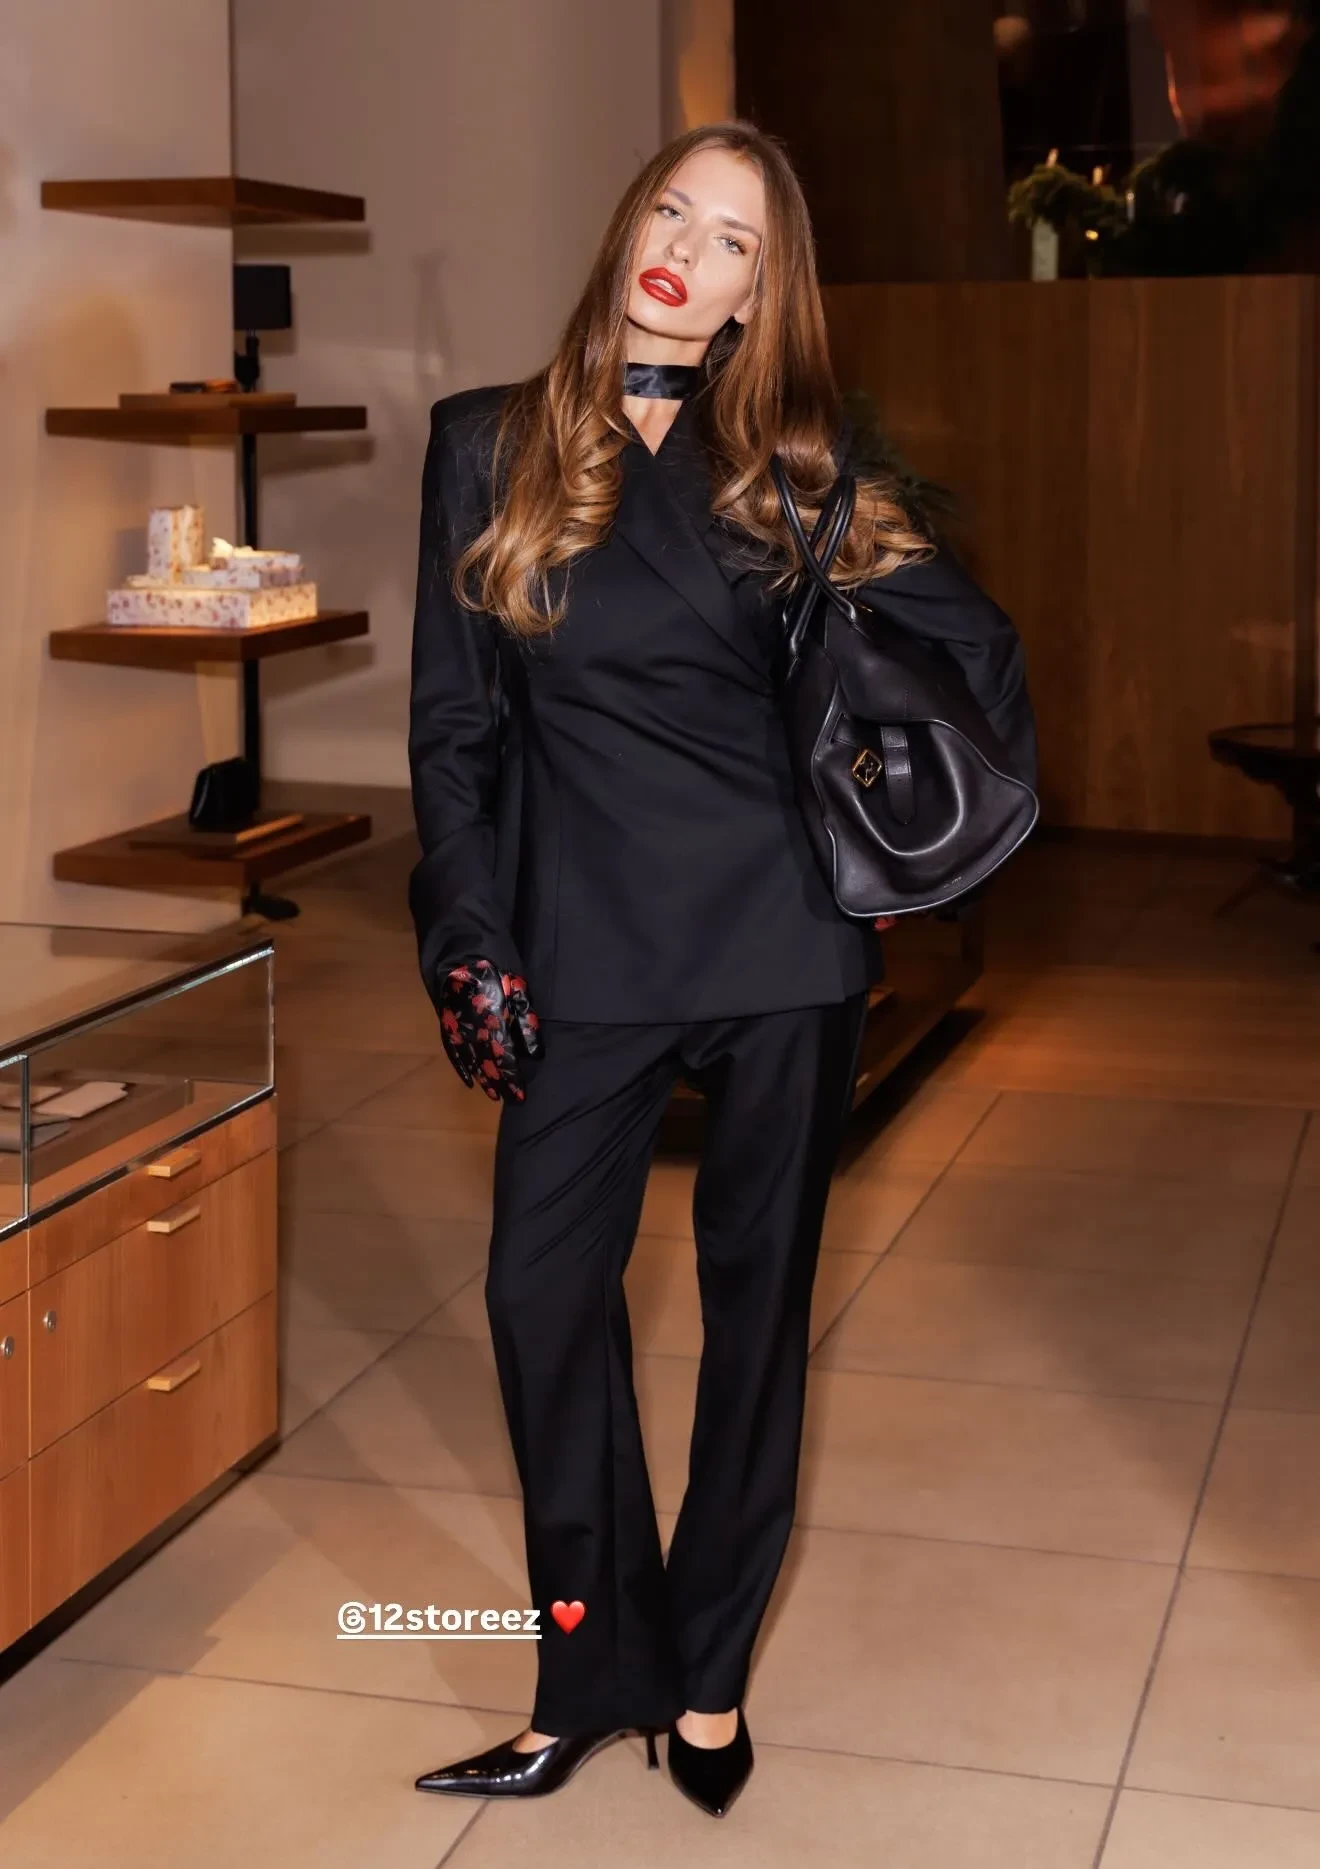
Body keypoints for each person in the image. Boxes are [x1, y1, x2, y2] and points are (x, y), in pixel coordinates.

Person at [406, 120, 1036, 1819]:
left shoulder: (796, 471)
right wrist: (466, 932)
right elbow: (454, 736)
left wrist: (888, 829)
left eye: (735, 240)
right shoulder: (484, 445)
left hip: (775, 946)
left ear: (764, 291)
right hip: (582, 947)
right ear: (631, 223)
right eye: (676, 211)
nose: (690, 252)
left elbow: (973, 653)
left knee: (758, 1321)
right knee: (539, 1301)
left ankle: (707, 1681)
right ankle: (590, 1668)